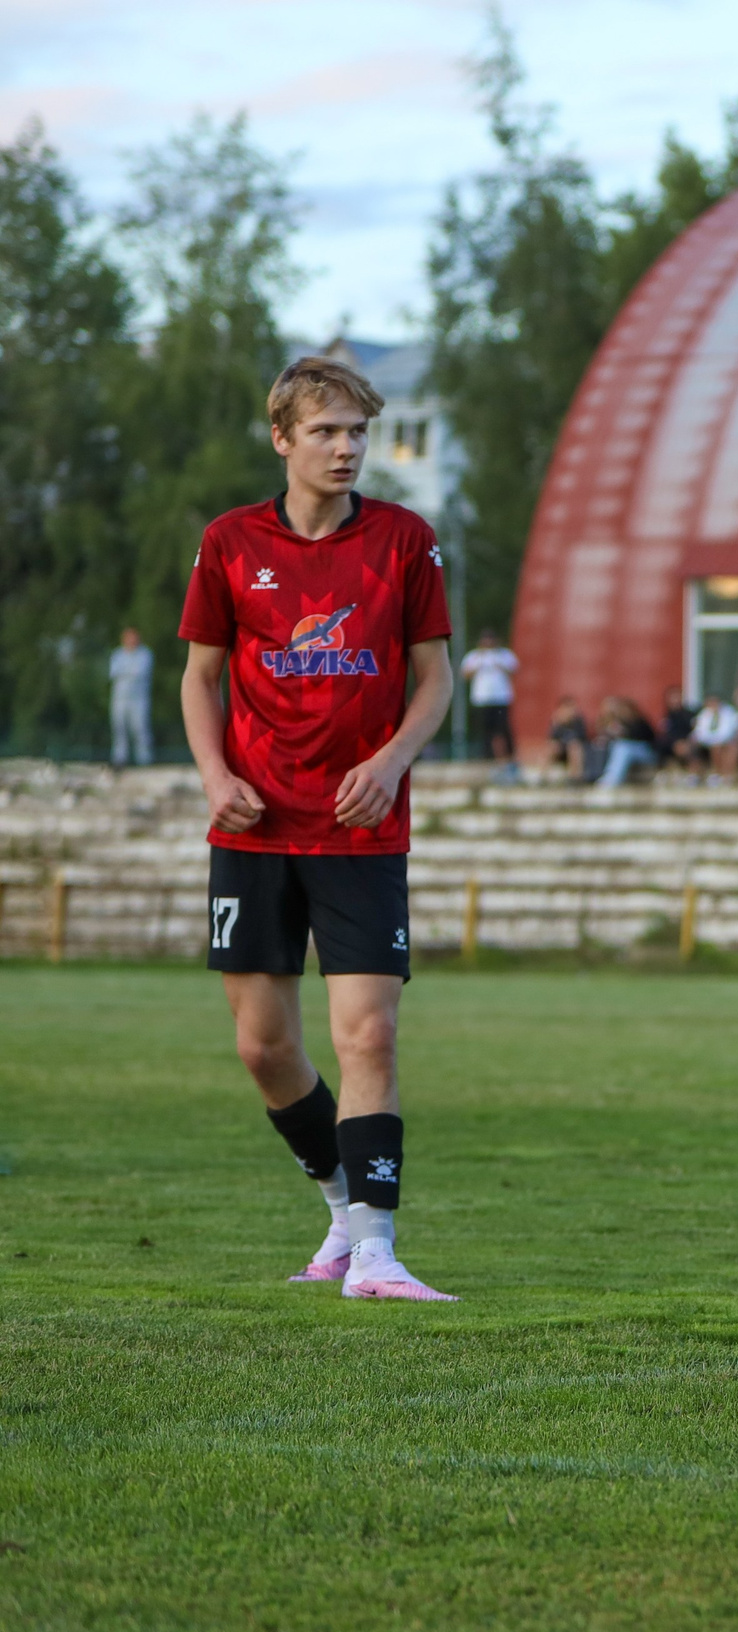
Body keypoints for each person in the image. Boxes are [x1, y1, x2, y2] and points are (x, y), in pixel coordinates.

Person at [175, 353, 457, 1302]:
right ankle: (340, 1206)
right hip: (253, 829)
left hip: (361, 831)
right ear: (283, 438)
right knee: (262, 1045)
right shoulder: (228, 543)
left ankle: (376, 1251)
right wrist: (215, 777)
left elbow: (436, 680)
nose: (347, 449)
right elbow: (200, 678)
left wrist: (389, 763)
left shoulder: (406, 542)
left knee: (368, 1033)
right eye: (328, 431)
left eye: (358, 432)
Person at [458, 629, 519, 777]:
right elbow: (465, 674)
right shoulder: (474, 656)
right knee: (485, 731)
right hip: (482, 699)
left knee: (502, 730)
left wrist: (498, 664)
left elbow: (514, 669)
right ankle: (487, 757)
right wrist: (479, 664)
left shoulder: (504, 654)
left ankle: (507, 758)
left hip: (501, 698)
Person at [107, 627, 154, 767]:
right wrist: (128, 673)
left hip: (139, 698)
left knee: (140, 728)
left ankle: (144, 759)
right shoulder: (117, 654)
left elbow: (140, 672)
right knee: (119, 727)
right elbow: (113, 673)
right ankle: (119, 758)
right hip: (120, 698)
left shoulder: (145, 654)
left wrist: (125, 673)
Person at [595, 695, 657, 787]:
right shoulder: (619, 722)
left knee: (622, 747)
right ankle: (602, 776)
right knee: (614, 746)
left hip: (647, 753)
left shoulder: (639, 722)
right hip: (628, 753)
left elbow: (648, 738)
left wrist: (624, 733)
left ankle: (611, 781)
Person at [687, 692, 738, 783]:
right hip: (707, 740)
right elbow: (699, 731)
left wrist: (718, 739)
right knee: (693, 745)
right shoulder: (704, 714)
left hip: (725, 739)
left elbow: (730, 730)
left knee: (723, 747)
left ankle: (726, 774)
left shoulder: (728, 712)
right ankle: (696, 774)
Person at [655, 685, 698, 771]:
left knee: (685, 749)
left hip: (688, 742)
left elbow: (695, 730)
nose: (675, 700)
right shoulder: (667, 716)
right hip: (671, 744)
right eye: (673, 698)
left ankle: (693, 771)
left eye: (677, 697)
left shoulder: (689, 714)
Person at [545, 695, 589, 779]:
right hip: (562, 750)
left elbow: (581, 738)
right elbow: (552, 738)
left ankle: (575, 778)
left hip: (576, 750)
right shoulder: (557, 721)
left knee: (574, 747)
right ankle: (543, 777)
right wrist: (558, 725)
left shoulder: (578, 721)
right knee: (551, 748)